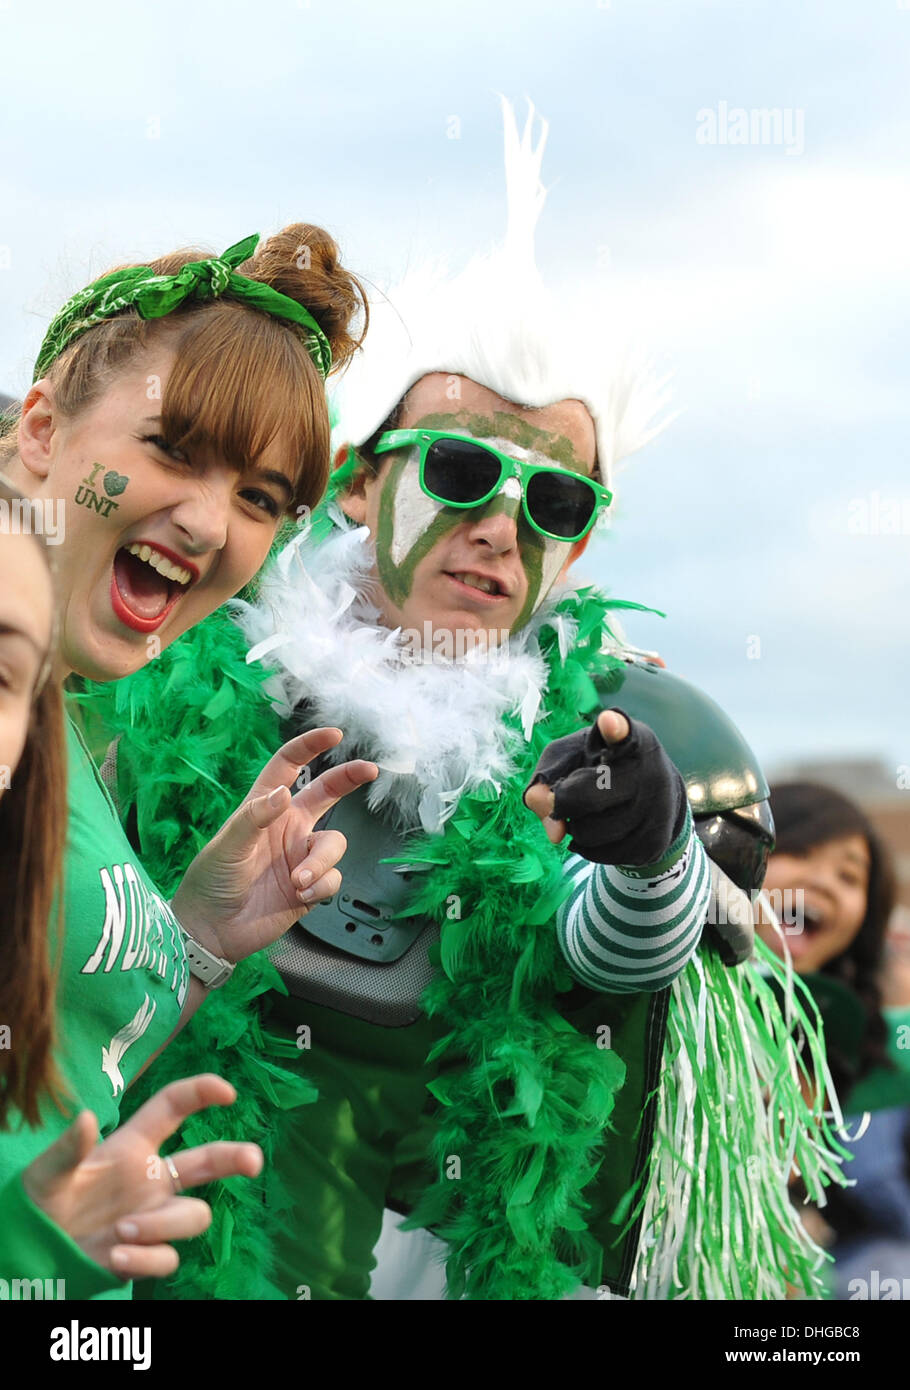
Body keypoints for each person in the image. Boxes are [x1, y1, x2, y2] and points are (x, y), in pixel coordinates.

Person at [90, 102, 847, 1301]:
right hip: (167, 1234)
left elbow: (619, 979)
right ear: (358, 484)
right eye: (460, 469)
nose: (500, 523)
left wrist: (650, 855)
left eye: (553, 504)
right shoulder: (174, 654)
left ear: (577, 555)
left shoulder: (617, 738)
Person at [0, 227, 378, 1298]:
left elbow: (67, 1071)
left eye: (262, 498)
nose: (210, 522)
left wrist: (198, 935)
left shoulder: (62, 715)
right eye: (176, 449)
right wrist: (29, 1236)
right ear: (41, 427)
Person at [756, 780, 910, 1297]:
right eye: (797, 850)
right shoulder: (661, 1001)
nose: (820, 882)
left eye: (848, 875)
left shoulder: (863, 1041)